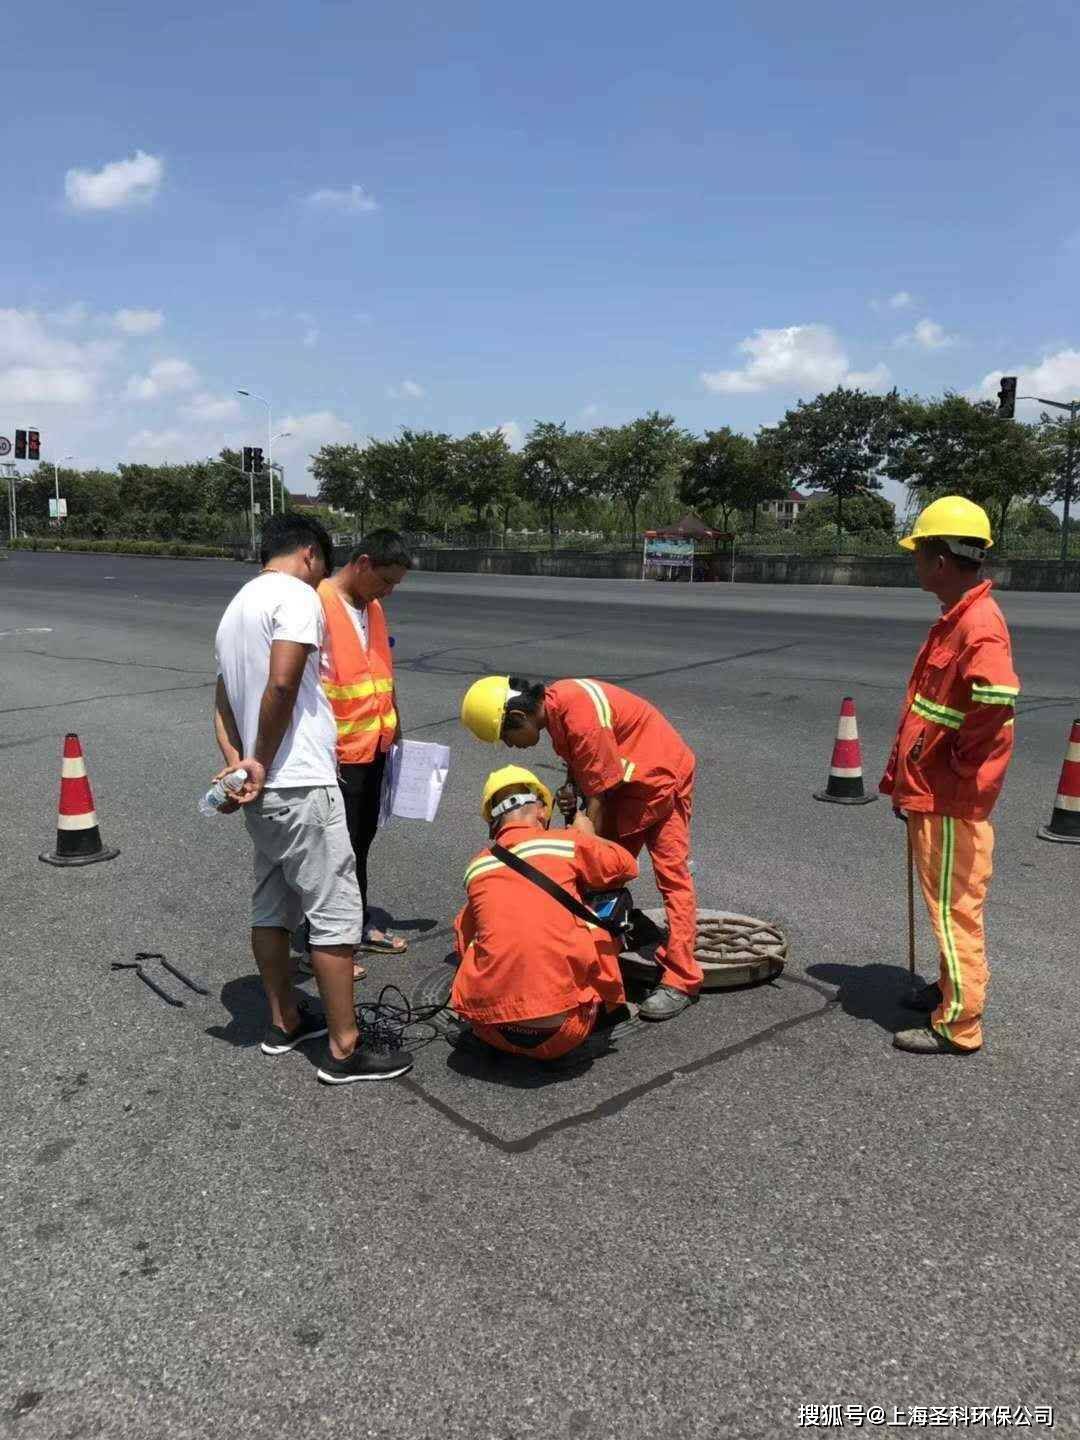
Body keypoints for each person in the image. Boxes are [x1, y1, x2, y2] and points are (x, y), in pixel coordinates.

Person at [212, 513, 412, 1086]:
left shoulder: (236, 608)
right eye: (320, 565)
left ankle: (285, 1022)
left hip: (265, 791)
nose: (320, 576)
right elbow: (282, 683)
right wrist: (261, 760)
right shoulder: (298, 597)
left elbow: (223, 701)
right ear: (308, 555)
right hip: (300, 781)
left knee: (271, 907)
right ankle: (345, 1049)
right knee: (335, 916)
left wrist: (239, 765)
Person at [459, 675, 702, 1020]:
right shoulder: (556, 711)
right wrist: (572, 790)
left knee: (670, 876)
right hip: (625, 785)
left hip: (662, 777)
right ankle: (620, 933)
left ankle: (682, 978)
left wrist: (582, 846)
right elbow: (585, 769)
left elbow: (597, 797)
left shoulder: (579, 714)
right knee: (605, 872)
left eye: (506, 737)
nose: (510, 746)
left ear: (519, 717)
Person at [880, 496, 1020, 1056]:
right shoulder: (958, 616)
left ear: (939, 560)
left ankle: (959, 1024)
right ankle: (947, 988)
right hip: (934, 786)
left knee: (953, 908)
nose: (914, 562)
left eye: (918, 552)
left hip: (950, 794)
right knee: (946, 902)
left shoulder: (978, 625)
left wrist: (961, 761)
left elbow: (997, 696)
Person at [451, 765, 638, 1061]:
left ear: (494, 822)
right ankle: (606, 1006)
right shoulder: (566, 842)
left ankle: (493, 1007)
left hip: (490, 1030)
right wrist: (588, 835)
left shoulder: (477, 866)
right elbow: (627, 867)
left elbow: (465, 942)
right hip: (564, 1034)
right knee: (600, 914)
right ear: (541, 810)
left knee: (469, 920)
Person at [318, 528, 411, 957]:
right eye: (385, 580)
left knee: (359, 843)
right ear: (362, 564)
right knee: (334, 851)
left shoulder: (371, 606)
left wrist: (395, 729)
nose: (389, 591)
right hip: (336, 754)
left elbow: (380, 672)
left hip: (373, 747)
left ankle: (354, 926)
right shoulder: (318, 601)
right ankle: (324, 943)